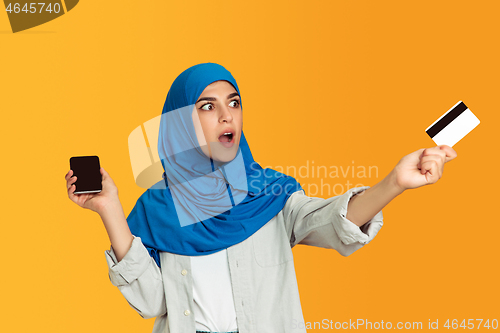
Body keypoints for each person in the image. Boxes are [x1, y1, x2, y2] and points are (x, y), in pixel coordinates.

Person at [65, 63, 457, 333]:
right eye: (207, 106)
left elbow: (334, 222)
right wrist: (109, 208)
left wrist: (395, 182)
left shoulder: (270, 193)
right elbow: (151, 304)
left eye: (234, 103)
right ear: (180, 123)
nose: (227, 115)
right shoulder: (155, 209)